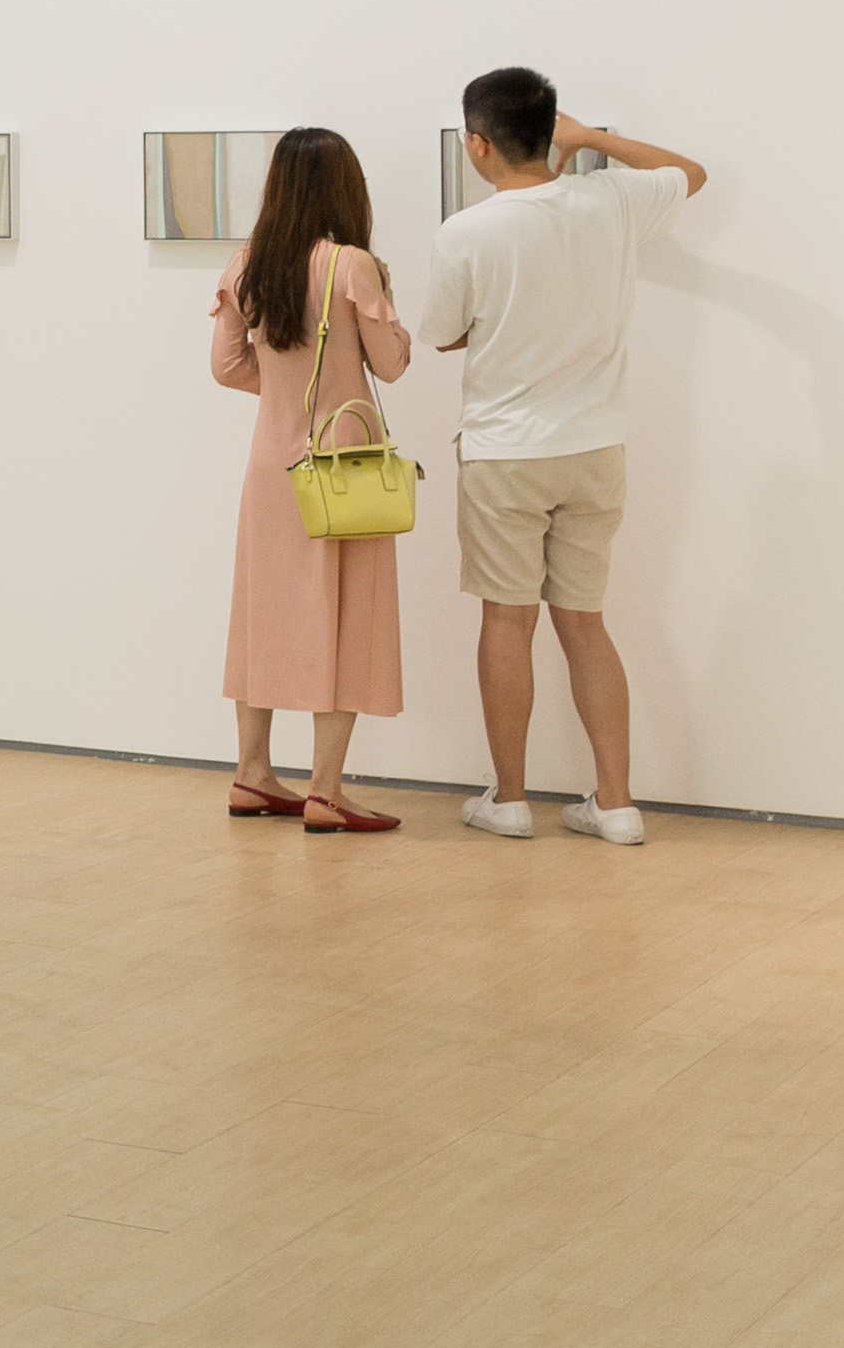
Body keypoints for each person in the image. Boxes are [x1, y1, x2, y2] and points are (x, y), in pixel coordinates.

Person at [419, 70, 712, 846]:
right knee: (585, 624)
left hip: (505, 452)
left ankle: (510, 799)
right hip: (594, 447)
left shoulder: (466, 232)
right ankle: (616, 803)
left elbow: (442, 334)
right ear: (550, 130)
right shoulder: (610, 201)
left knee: (506, 621)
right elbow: (691, 173)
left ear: (478, 144)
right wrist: (589, 141)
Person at [207, 127, 413, 833]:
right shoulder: (352, 265)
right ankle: (326, 790)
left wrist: (283, 390)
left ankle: (252, 773)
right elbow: (392, 366)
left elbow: (226, 365)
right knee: (348, 614)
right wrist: (386, 297)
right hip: (345, 465)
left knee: (261, 610)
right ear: (345, 188)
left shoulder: (247, 263)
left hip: (272, 465)